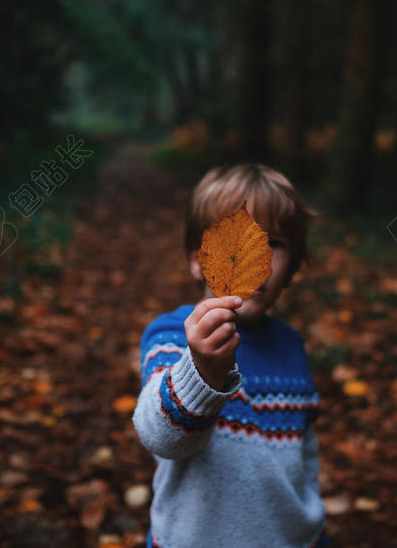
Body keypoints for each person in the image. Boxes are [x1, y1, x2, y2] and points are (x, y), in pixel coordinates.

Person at [132, 164, 329, 547]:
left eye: (274, 243)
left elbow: (305, 458)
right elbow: (161, 438)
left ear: (292, 268)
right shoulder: (173, 336)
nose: (254, 256)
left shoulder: (291, 346)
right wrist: (202, 371)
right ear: (198, 259)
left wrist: (313, 528)